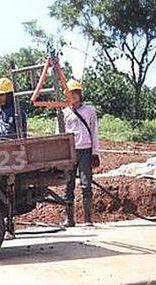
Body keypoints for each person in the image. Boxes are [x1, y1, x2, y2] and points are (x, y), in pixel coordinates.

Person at [62, 79, 100, 227]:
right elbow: (60, 134)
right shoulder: (64, 112)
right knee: (68, 184)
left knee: (86, 184)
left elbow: (94, 132)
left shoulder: (89, 111)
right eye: (70, 94)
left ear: (80, 94)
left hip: (85, 150)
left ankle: (88, 219)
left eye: (75, 93)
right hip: (70, 152)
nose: (73, 96)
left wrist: (95, 153)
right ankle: (69, 219)